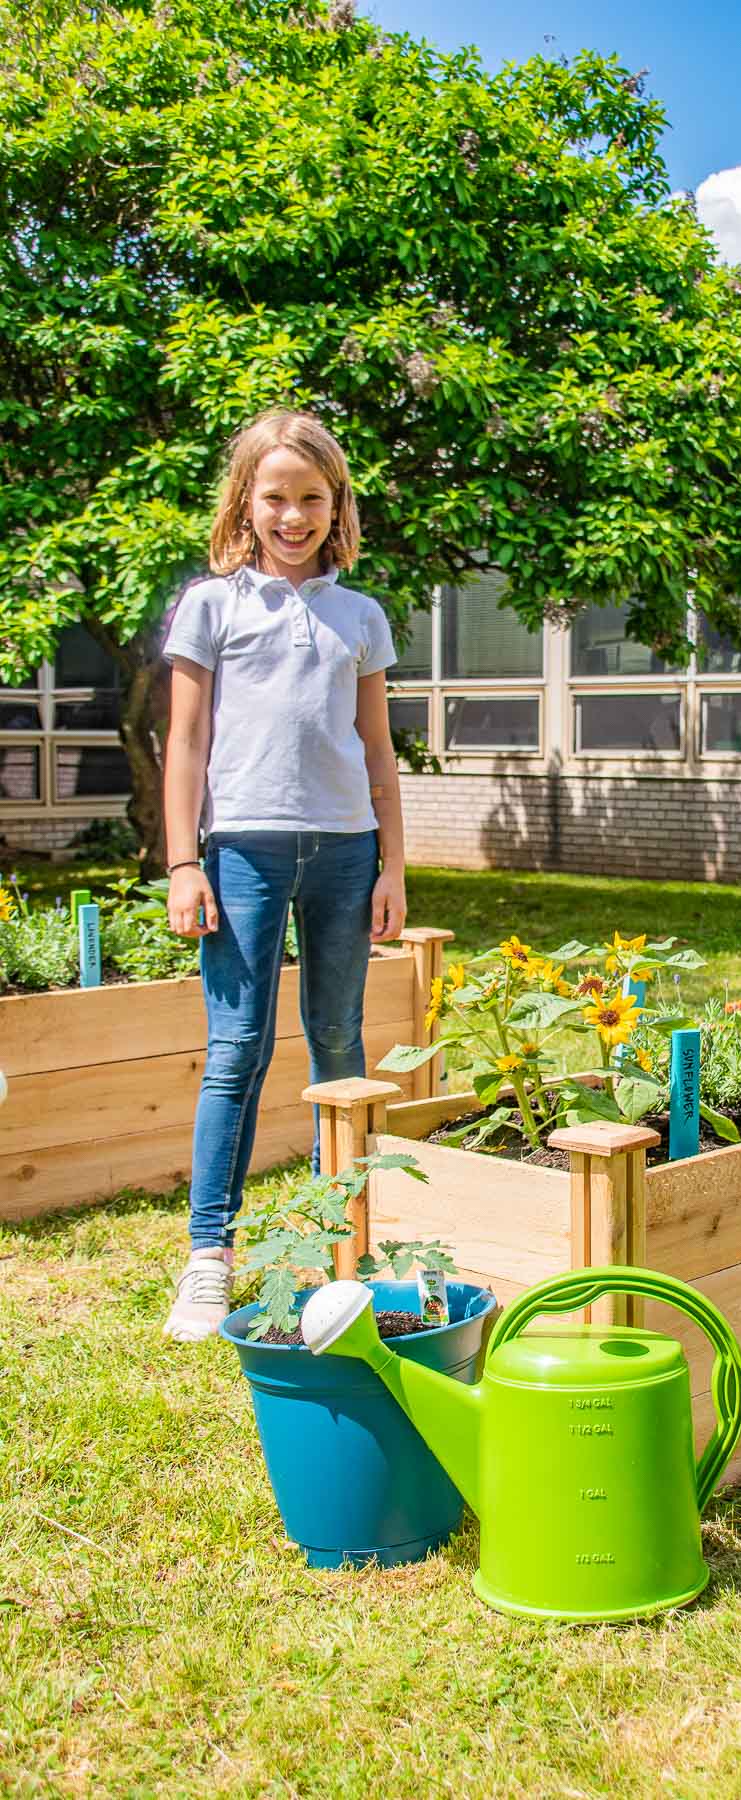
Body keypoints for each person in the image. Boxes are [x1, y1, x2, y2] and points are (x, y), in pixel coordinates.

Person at [160, 410, 406, 1342]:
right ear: (247, 502)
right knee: (237, 1052)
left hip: (346, 853)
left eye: (311, 498)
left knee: (339, 1044)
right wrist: (185, 862)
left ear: (334, 503)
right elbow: (185, 743)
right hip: (242, 854)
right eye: (277, 498)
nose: (294, 515)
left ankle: (335, 1247)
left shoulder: (361, 616)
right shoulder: (212, 605)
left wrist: (393, 867)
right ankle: (209, 1259)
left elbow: (379, 754)